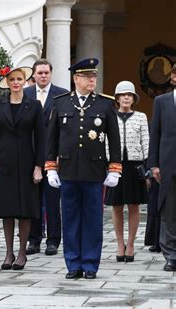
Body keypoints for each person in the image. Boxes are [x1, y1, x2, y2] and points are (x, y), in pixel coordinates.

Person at [45, 58, 122, 279]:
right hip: (68, 170)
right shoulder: (61, 103)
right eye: (88, 77)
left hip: (94, 171)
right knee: (70, 219)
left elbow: (114, 140)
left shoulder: (105, 104)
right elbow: (52, 139)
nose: (92, 80)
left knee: (92, 220)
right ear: (76, 78)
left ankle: (89, 264)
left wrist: (115, 168)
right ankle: (73, 264)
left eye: (94, 76)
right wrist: (50, 167)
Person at [0, 65, 44, 270]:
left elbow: (41, 138)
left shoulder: (34, 105)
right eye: (12, 80)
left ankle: (22, 253)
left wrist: (39, 166)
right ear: (7, 83)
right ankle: (8, 253)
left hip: (27, 162)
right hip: (4, 162)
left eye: (19, 79)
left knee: (25, 210)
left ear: (25, 81)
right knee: (7, 209)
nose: (16, 83)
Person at [24, 59, 68, 256]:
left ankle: (53, 240)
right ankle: (33, 240)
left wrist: (60, 154)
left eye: (46, 73)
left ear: (51, 73)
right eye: (39, 73)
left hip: (52, 155)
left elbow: (65, 128)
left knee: (52, 200)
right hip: (29, 154)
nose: (43, 76)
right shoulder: (25, 94)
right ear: (33, 75)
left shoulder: (62, 94)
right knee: (32, 200)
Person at [104, 81, 149, 263]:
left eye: (129, 95)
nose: (126, 98)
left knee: (133, 205)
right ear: (117, 98)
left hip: (134, 165)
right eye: (123, 95)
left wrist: (148, 168)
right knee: (116, 206)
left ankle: (131, 244)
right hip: (115, 164)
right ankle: (119, 244)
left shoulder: (141, 117)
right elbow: (105, 141)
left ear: (133, 99)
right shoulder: (110, 116)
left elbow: (146, 142)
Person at [148, 63, 176, 272]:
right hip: (168, 165)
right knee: (169, 210)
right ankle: (171, 255)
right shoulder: (162, 102)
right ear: (173, 77)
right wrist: (154, 164)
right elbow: (155, 134)